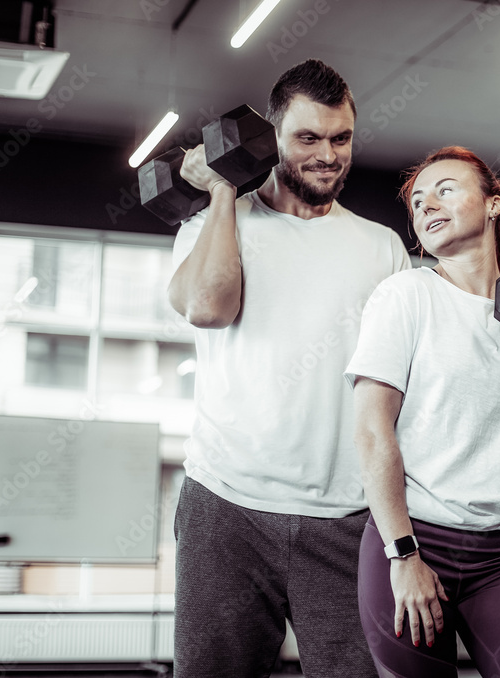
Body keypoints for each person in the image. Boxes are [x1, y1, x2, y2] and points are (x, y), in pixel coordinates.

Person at [168, 59, 410, 678]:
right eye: (308, 138)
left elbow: (410, 384)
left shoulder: (382, 246)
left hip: (347, 517)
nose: (328, 155)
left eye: (341, 138)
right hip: (227, 504)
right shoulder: (211, 225)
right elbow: (206, 307)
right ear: (272, 137)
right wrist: (225, 187)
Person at [344, 146, 500, 677]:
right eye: (417, 201)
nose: (426, 206)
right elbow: (372, 432)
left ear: (493, 205)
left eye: (445, 190)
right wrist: (403, 556)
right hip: (415, 539)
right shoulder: (406, 296)